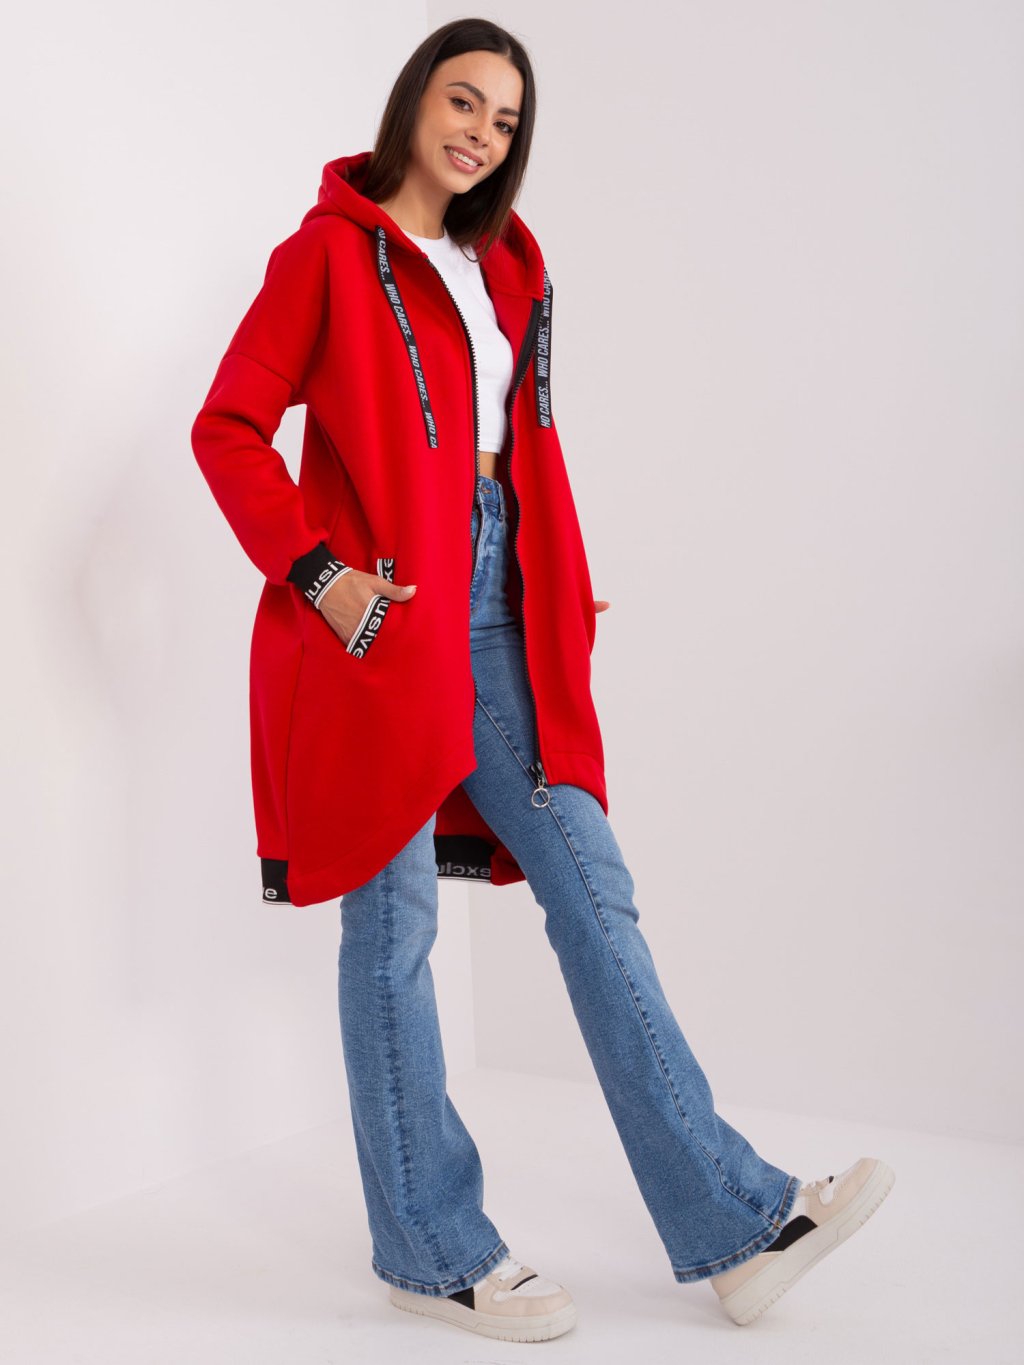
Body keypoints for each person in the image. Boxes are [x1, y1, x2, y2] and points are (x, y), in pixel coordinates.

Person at [191, 16, 895, 1345]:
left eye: (506, 119)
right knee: (394, 930)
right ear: (414, 101)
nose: (481, 133)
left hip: (503, 605)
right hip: (382, 621)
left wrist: (549, 577)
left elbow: (520, 454)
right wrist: (319, 572)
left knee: (592, 884)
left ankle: (738, 1224)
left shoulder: (508, 263)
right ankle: (430, 1248)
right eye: (464, 101)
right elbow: (227, 425)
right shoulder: (325, 257)